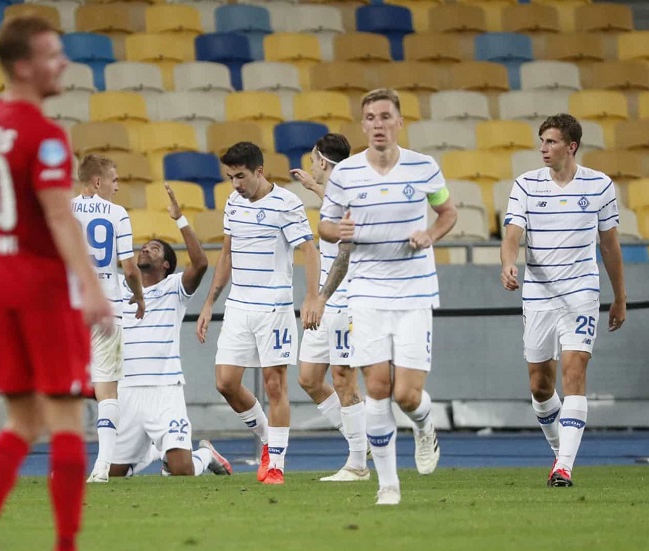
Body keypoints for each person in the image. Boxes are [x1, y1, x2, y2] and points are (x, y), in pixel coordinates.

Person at [0, 16, 113, 551]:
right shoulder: (43, 135)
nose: (62, 62)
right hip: (43, 283)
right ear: (24, 65)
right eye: (51, 54)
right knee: (68, 418)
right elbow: (60, 216)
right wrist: (90, 285)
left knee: (22, 418)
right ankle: (66, 545)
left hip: (0, 276)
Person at [319, 88, 457, 506]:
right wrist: (336, 231)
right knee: (376, 387)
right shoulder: (345, 174)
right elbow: (324, 226)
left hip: (414, 292)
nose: (378, 124)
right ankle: (388, 485)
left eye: (385, 116)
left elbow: (447, 212)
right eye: (370, 118)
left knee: (406, 396)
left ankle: (424, 424)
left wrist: (429, 235)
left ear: (399, 122)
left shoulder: (423, 168)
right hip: (367, 292)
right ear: (362, 125)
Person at [501, 113, 626, 488]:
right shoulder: (525, 185)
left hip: (581, 292)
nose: (544, 148)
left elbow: (609, 244)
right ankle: (561, 452)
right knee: (541, 386)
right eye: (542, 141)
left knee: (575, 372)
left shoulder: (600, 185)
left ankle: (564, 468)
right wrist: (509, 263)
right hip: (538, 293)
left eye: (552, 142)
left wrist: (620, 297)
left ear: (571, 146)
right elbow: (512, 234)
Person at [196, 141, 323, 486]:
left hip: (273, 308)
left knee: (274, 385)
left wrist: (313, 296)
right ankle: (269, 441)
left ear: (259, 172)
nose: (235, 184)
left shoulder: (286, 203)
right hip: (239, 306)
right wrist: (210, 302)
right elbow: (226, 255)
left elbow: (309, 251)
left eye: (240, 176)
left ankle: (277, 465)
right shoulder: (234, 202)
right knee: (225, 382)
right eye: (230, 177)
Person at [109, 183, 231, 479]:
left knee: (182, 473)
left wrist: (180, 219)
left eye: (154, 248)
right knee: (112, 477)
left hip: (164, 390)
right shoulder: (117, 287)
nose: (145, 248)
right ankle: (152, 451)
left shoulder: (173, 288)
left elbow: (201, 263)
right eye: (143, 246)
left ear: (165, 264)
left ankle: (205, 455)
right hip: (126, 390)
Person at [289, 134, 370, 482]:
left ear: (322, 160)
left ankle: (358, 463)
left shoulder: (353, 188)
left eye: (312, 160)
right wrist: (315, 189)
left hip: (346, 299)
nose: (310, 166)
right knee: (308, 378)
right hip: (328, 300)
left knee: (342, 378)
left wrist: (320, 296)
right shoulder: (337, 192)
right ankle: (361, 439)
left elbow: (347, 243)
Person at [71, 153, 145, 483]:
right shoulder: (118, 214)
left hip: (71, 308)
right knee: (107, 389)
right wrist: (139, 296)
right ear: (97, 182)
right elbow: (129, 267)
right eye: (114, 180)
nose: (118, 186)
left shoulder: (65, 210)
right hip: (108, 309)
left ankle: (65, 460)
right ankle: (102, 465)